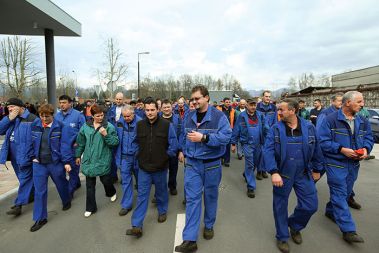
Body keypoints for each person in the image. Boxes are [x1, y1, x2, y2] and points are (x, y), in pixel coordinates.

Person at [175, 85, 232, 253]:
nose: (194, 102)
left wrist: (205, 138)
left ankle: (208, 225)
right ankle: (190, 239)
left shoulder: (219, 116)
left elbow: (226, 137)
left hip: (212, 164)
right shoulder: (189, 116)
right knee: (192, 199)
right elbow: (183, 135)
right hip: (192, 164)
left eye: (197, 98)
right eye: (192, 99)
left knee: (211, 196)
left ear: (206, 98)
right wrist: (182, 150)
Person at [263, 99, 323, 253]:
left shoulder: (309, 127)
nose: (279, 112)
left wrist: (318, 169)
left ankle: (295, 226)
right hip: (283, 174)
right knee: (280, 206)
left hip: (303, 173)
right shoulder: (275, 129)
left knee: (311, 205)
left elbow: (317, 149)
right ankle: (282, 236)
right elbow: (268, 151)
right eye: (278, 109)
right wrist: (274, 172)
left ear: (293, 110)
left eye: (281, 109)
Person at [318, 91, 374, 243]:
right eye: (360, 101)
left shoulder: (362, 120)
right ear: (348, 102)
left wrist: (366, 150)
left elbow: (369, 137)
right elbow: (322, 141)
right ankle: (348, 230)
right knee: (339, 192)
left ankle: (330, 211)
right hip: (335, 163)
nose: (363, 104)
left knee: (346, 192)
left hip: (354, 164)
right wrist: (341, 149)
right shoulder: (329, 120)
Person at [126, 97, 178, 238]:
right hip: (144, 168)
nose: (149, 112)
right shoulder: (140, 125)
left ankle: (162, 211)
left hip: (160, 168)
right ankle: (137, 225)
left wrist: (165, 157)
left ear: (158, 110)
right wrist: (138, 154)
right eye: (147, 110)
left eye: (152, 110)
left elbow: (173, 145)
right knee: (142, 196)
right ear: (144, 110)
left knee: (161, 192)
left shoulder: (167, 125)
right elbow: (135, 142)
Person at [29, 104, 72, 232]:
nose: (44, 118)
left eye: (47, 116)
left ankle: (66, 200)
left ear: (52, 115)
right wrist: (32, 157)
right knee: (39, 191)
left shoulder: (60, 127)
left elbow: (65, 145)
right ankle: (40, 218)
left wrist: (66, 162)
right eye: (41, 116)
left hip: (55, 163)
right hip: (39, 164)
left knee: (61, 184)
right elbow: (30, 142)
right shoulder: (35, 125)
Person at [75, 104, 119, 217]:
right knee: (90, 185)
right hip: (89, 160)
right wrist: (78, 155)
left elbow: (115, 142)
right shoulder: (85, 127)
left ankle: (111, 192)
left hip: (102, 158)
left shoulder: (109, 126)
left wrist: (106, 135)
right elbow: (81, 142)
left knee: (106, 180)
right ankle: (90, 208)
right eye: (98, 116)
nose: (101, 118)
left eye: (102, 115)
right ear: (92, 116)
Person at [0, 98, 37, 216]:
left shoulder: (31, 119)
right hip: (13, 157)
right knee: (23, 179)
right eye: (8, 107)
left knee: (25, 179)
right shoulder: (11, 119)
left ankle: (18, 204)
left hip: (26, 156)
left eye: (12, 107)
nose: (10, 109)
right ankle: (31, 195)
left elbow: (37, 139)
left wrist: (34, 156)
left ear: (21, 107)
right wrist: (8, 119)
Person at [231, 98, 267, 198]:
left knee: (256, 162)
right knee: (250, 164)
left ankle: (246, 174)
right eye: (251, 105)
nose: (253, 107)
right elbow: (236, 129)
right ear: (247, 105)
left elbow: (266, 127)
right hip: (247, 144)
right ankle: (251, 187)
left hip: (258, 143)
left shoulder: (260, 115)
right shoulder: (241, 116)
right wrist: (233, 143)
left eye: (254, 105)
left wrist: (269, 138)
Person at [55, 95, 86, 197]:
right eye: (60, 103)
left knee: (72, 172)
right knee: (60, 173)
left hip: (73, 149)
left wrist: (80, 144)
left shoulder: (78, 115)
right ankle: (76, 183)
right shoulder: (57, 116)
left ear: (70, 103)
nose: (61, 105)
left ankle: (69, 193)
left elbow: (84, 131)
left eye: (64, 102)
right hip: (60, 149)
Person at [115, 105, 141, 216]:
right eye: (124, 116)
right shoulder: (119, 123)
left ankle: (141, 201)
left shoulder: (141, 123)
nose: (126, 118)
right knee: (126, 181)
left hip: (138, 157)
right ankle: (126, 204)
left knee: (140, 180)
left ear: (133, 114)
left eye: (128, 116)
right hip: (125, 157)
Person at [161, 99, 182, 195]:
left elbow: (181, 134)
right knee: (160, 171)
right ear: (161, 108)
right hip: (160, 149)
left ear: (172, 107)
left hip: (174, 149)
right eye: (164, 107)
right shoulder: (158, 119)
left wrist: (181, 150)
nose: (166, 109)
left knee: (173, 170)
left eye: (168, 107)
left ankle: (172, 186)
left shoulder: (177, 118)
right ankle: (160, 191)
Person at [216, 97, 235, 167]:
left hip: (229, 130)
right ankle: (220, 158)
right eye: (226, 102)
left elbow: (234, 120)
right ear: (223, 102)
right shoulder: (218, 109)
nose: (228, 103)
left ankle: (227, 161)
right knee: (221, 144)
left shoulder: (232, 110)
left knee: (227, 146)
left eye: (229, 102)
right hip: (220, 129)